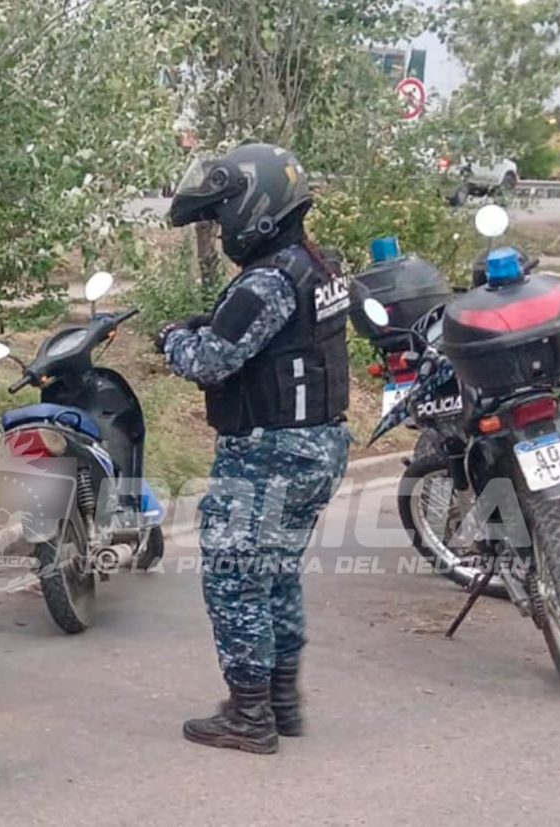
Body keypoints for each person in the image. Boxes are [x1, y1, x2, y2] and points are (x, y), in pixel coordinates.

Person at [159, 143, 352, 754]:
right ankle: (282, 701)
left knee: (234, 580)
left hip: (270, 454)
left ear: (257, 209)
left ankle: (249, 715)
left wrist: (173, 338)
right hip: (319, 445)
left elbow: (210, 362)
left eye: (222, 217)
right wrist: (210, 321)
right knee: (276, 574)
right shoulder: (316, 266)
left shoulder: (267, 281)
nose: (221, 231)